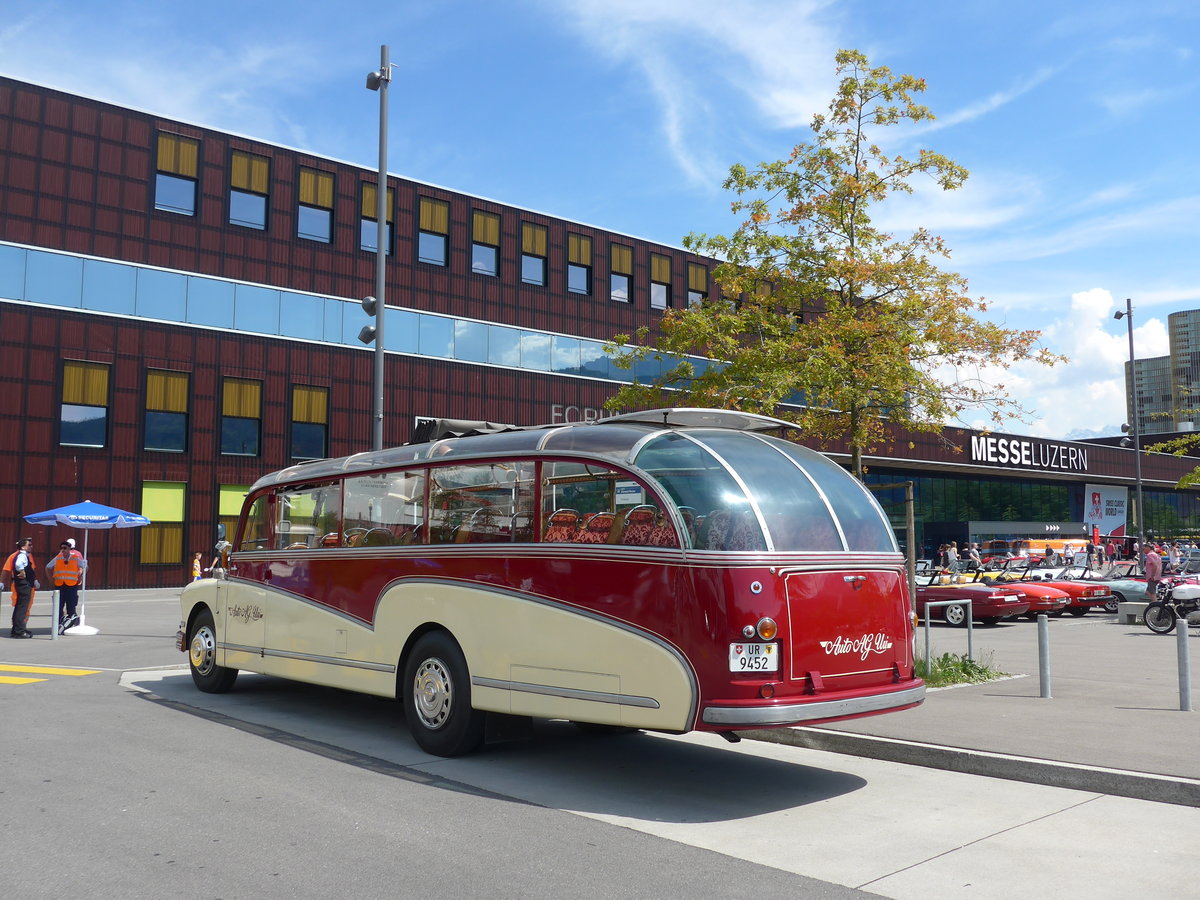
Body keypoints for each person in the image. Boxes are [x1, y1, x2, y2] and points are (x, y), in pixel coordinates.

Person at [1, 538, 39, 638]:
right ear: (23, 547)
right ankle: (19, 631)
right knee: (22, 608)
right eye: (29, 544)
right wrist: (22, 571)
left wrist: (34, 580)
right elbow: (17, 566)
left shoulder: (26, 555)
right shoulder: (21, 555)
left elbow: (31, 570)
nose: (31, 546)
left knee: (21, 607)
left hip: (25, 584)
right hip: (24, 584)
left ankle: (18, 628)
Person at [46, 541, 85, 633]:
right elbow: (47, 567)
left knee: (71, 607)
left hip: (71, 586)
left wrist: (80, 575)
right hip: (59, 585)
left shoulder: (75, 558)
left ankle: (70, 625)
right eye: (61, 548)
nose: (63, 550)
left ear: (69, 549)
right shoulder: (57, 558)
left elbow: (84, 567)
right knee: (58, 607)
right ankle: (58, 625)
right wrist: (50, 579)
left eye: (65, 548)